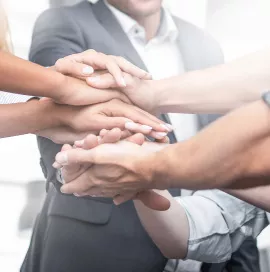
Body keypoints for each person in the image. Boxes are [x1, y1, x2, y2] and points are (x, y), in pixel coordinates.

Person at [22, 1, 260, 272]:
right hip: (99, 252)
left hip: (207, 253)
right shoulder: (64, 21)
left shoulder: (205, 43)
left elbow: (237, 149)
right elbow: (55, 117)